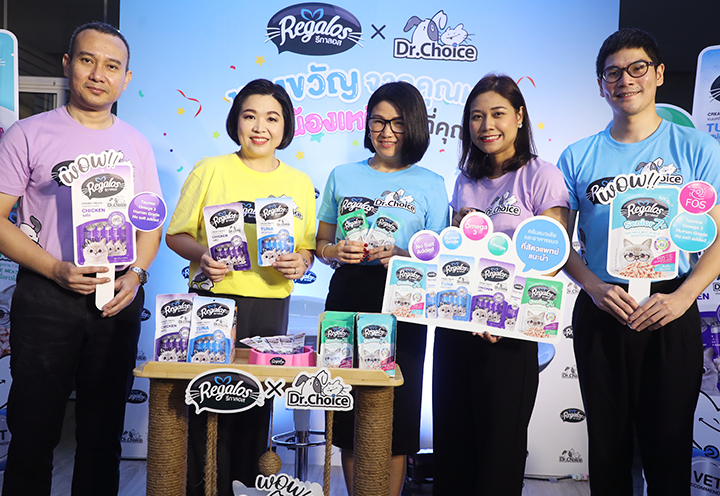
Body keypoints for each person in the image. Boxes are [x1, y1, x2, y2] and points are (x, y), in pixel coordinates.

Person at [0, 22, 162, 496]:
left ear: (125, 79)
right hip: (46, 294)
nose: (98, 74)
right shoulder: (27, 134)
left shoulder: (136, 143)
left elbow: (149, 223)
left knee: (102, 433)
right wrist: (54, 268)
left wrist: (137, 274)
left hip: (115, 297)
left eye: (111, 66)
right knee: (33, 431)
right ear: (68, 64)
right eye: (88, 60)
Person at [558, 28, 720, 496]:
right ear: (601, 85)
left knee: (668, 449)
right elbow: (558, 243)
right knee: (608, 449)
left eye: (637, 68)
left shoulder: (697, 149)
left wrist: (683, 297)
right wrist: (593, 287)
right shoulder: (578, 155)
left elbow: (718, 236)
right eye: (613, 73)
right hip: (604, 306)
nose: (625, 80)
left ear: (659, 74)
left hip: (671, 306)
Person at [165, 78, 316, 495]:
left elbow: (307, 248)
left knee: (255, 407)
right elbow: (176, 235)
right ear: (236, 122)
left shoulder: (300, 182)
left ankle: (247, 487)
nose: (260, 127)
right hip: (214, 300)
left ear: (285, 127)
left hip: (270, 306)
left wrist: (301, 261)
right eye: (250, 116)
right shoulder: (211, 169)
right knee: (207, 406)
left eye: (272, 118)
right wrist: (203, 255)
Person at [432, 74, 569, 495]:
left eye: (497, 114)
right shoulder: (465, 179)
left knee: (499, 454)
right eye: (476, 117)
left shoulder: (542, 176)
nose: (486, 125)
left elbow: (549, 261)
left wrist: (501, 317)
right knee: (453, 448)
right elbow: (456, 255)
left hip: (509, 334)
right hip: (457, 328)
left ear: (520, 117)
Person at [315, 81, 449, 496]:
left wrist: (403, 254)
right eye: (378, 121)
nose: (387, 131)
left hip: (404, 301)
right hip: (347, 295)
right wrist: (334, 250)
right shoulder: (342, 175)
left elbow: (439, 258)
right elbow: (321, 243)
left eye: (397, 123)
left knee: (397, 416)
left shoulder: (431, 182)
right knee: (348, 412)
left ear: (415, 126)